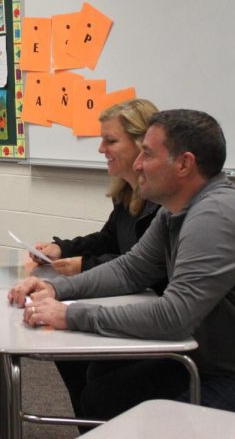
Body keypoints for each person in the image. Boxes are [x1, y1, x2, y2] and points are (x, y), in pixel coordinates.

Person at [9, 110, 235, 426]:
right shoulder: (176, 212)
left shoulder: (216, 218)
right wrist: (56, 288)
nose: (138, 164)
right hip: (218, 365)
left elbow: (173, 317)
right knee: (105, 391)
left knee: (154, 425)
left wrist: (70, 315)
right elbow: (131, 269)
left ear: (184, 163)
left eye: (147, 154)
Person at [30, 98, 161, 420]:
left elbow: (140, 266)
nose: (101, 149)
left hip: (149, 311)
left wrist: (85, 265)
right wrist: (64, 248)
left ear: (143, 144)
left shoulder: (165, 206)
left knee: (98, 386)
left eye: (111, 140)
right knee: (69, 355)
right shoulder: (127, 192)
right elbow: (109, 239)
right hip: (131, 303)